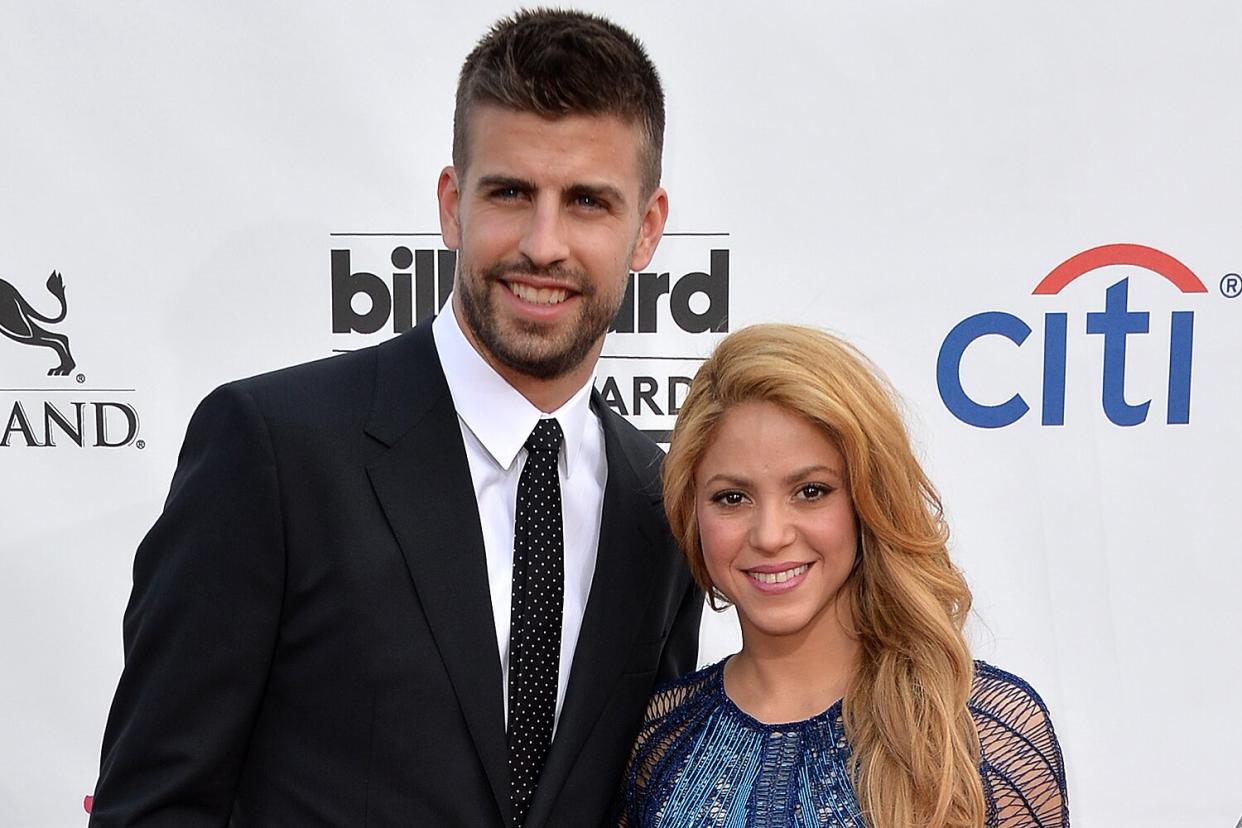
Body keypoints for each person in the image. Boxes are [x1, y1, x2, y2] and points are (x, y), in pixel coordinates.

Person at [90, 10, 702, 827]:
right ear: (453, 205)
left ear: (646, 229)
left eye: (588, 201)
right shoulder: (275, 450)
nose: (544, 244)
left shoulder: (663, 506)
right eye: (510, 192)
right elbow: (153, 805)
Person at [619, 324, 1068, 827]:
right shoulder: (657, 743)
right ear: (691, 511)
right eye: (732, 497)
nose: (770, 535)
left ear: (866, 500)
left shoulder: (980, 733)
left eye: (810, 491)